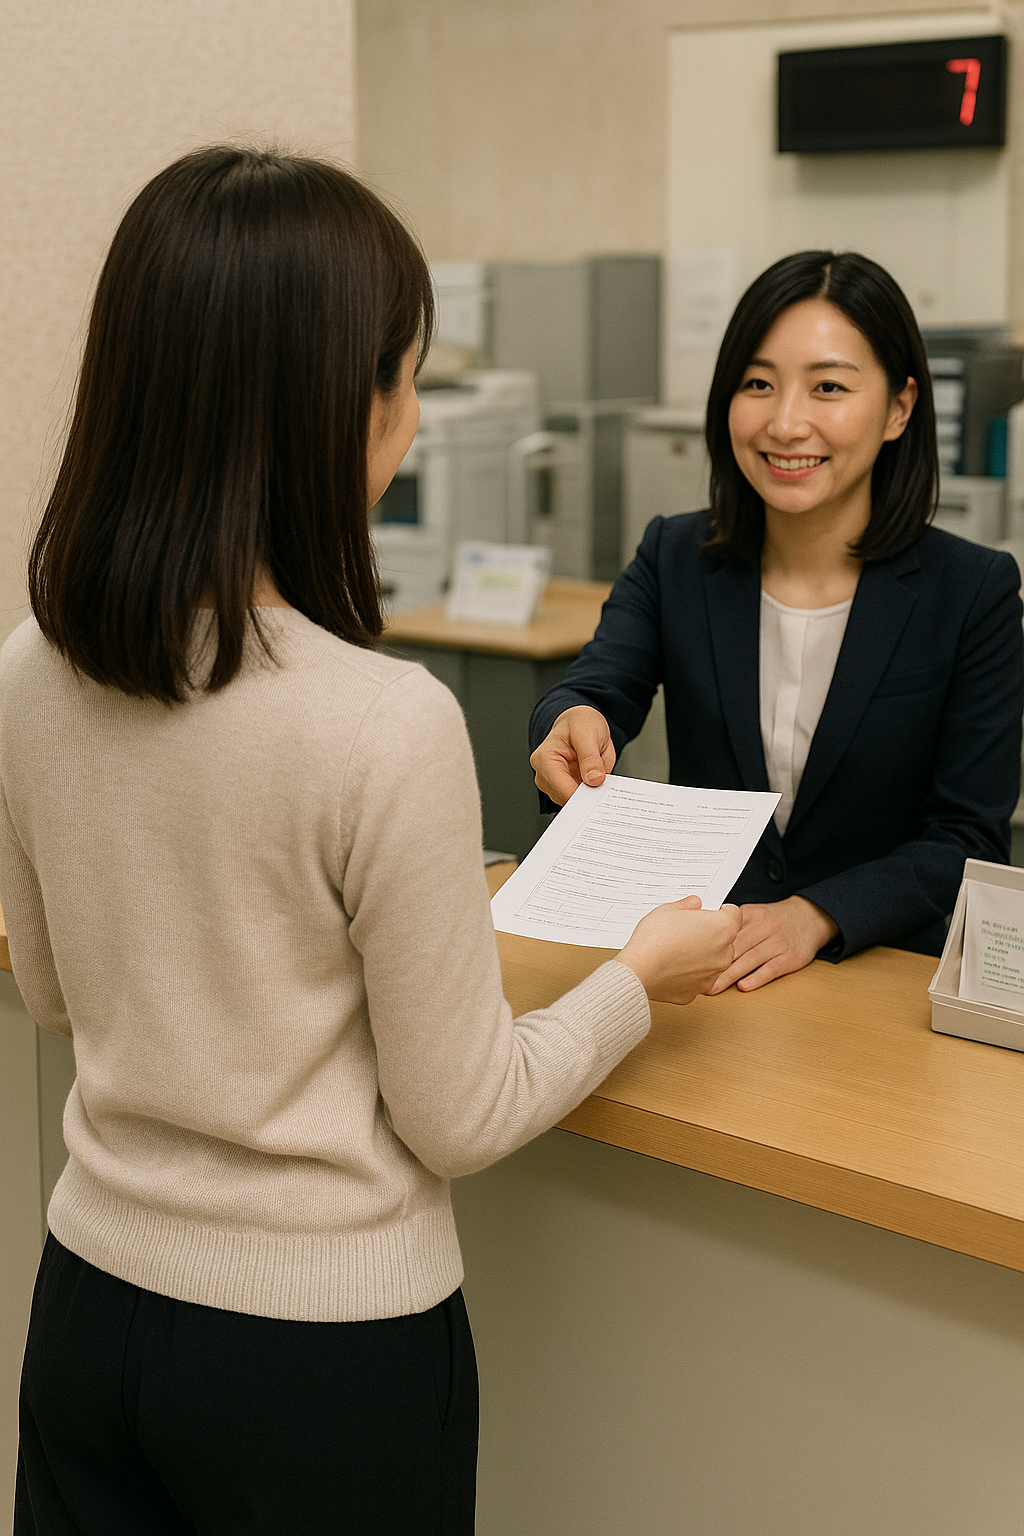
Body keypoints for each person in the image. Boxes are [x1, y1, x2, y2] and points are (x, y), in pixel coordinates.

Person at [0, 146, 740, 1536]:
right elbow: (458, 1115)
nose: (409, 410)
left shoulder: (30, 668)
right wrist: (639, 980)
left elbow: (51, 994)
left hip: (88, 1307)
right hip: (319, 1357)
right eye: (403, 376)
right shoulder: (380, 721)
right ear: (338, 410)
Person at [530, 250, 1024, 993]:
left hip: (877, 982)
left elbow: (968, 837)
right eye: (758, 384)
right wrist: (571, 719)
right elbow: (596, 686)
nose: (786, 423)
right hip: (705, 976)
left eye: (828, 387)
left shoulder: (973, 591)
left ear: (899, 408)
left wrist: (817, 914)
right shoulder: (675, 555)